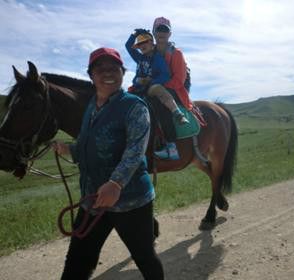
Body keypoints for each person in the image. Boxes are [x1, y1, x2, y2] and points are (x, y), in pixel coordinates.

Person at [53, 47, 164, 280]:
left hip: (131, 201)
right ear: (91, 75)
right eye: (100, 69)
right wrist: (69, 150)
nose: (107, 73)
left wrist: (116, 183)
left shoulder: (135, 106)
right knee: (77, 260)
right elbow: (87, 143)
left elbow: (135, 150)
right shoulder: (92, 106)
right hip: (93, 199)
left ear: (123, 73)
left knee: (145, 257)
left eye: (113, 68)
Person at [125, 29, 189, 160]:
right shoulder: (140, 57)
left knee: (158, 91)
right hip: (137, 90)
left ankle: (176, 117)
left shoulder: (158, 59)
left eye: (145, 42)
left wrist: (150, 82)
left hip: (150, 88)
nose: (142, 45)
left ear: (152, 43)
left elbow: (165, 75)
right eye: (139, 44)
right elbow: (128, 47)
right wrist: (134, 34)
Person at [151, 16, 195, 160]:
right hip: (157, 88)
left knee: (160, 103)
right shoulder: (150, 53)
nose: (162, 33)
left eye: (165, 30)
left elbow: (179, 80)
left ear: (169, 34)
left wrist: (158, 88)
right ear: (154, 32)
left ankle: (171, 146)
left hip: (175, 89)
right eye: (159, 29)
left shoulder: (177, 53)